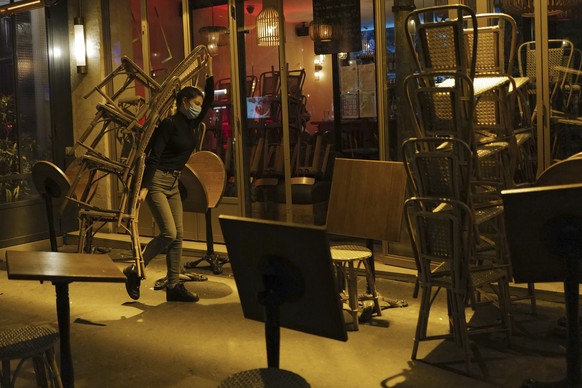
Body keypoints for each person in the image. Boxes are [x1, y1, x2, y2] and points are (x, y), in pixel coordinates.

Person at [123, 56, 214, 302]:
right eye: (195, 102)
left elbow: (210, 102)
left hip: (174, 183)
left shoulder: (191, 123)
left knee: (178, 235)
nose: (199, 107)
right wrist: (143, 187)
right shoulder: (169, 125)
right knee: (169, 233)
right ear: (184, 102)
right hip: (157, 183)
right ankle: (134, 269)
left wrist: (210, 70)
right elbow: (152, 156)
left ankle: (173, 286)